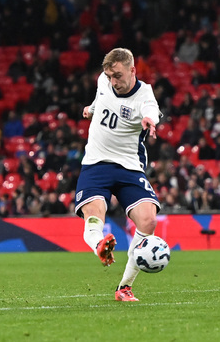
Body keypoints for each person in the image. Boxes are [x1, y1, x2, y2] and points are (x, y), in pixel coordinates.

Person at [75, 48, 161, 302]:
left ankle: (124, 287)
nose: (114, 81)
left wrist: (148, 120)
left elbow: (150, 108)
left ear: (133, 70)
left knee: (148, 221)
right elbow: (101, 97)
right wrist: (91, 109)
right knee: (94, 213)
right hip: (96, 163)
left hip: (129, 166)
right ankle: (99, 246)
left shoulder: (144, 94)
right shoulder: (104, 81)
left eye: (119, 76)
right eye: (110, 76)